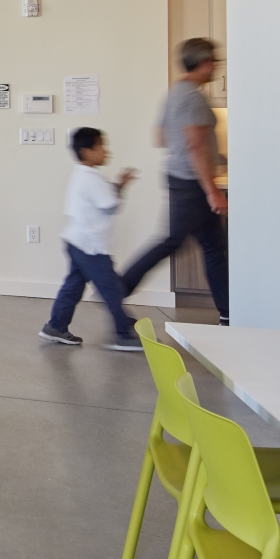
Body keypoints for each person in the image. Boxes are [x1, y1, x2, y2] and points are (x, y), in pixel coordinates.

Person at [118, 38, 230, 323]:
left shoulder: (175, 92)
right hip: (192, 183)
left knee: (213, 247)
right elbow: (195, 146)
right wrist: (213, 191)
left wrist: (217, 157)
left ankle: (229, 312)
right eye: (214, 61)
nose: (216, 66)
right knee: (172, 241)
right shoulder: (193, 97)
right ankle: (116, 290)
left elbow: (162, 136)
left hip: (180, 176)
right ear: (204, 63)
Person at [40, 127, 141, 351]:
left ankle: (56, 326)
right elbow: (110, 204)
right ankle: (123, 333)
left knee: (73, 287)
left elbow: (104, 198)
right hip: (91, 246)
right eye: (101, 147)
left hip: (77, 241)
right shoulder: (92, 178)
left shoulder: (83, 174)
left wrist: (118, 185)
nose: (107, 152)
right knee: (110, 289)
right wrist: (120, 188)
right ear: (87, 151)